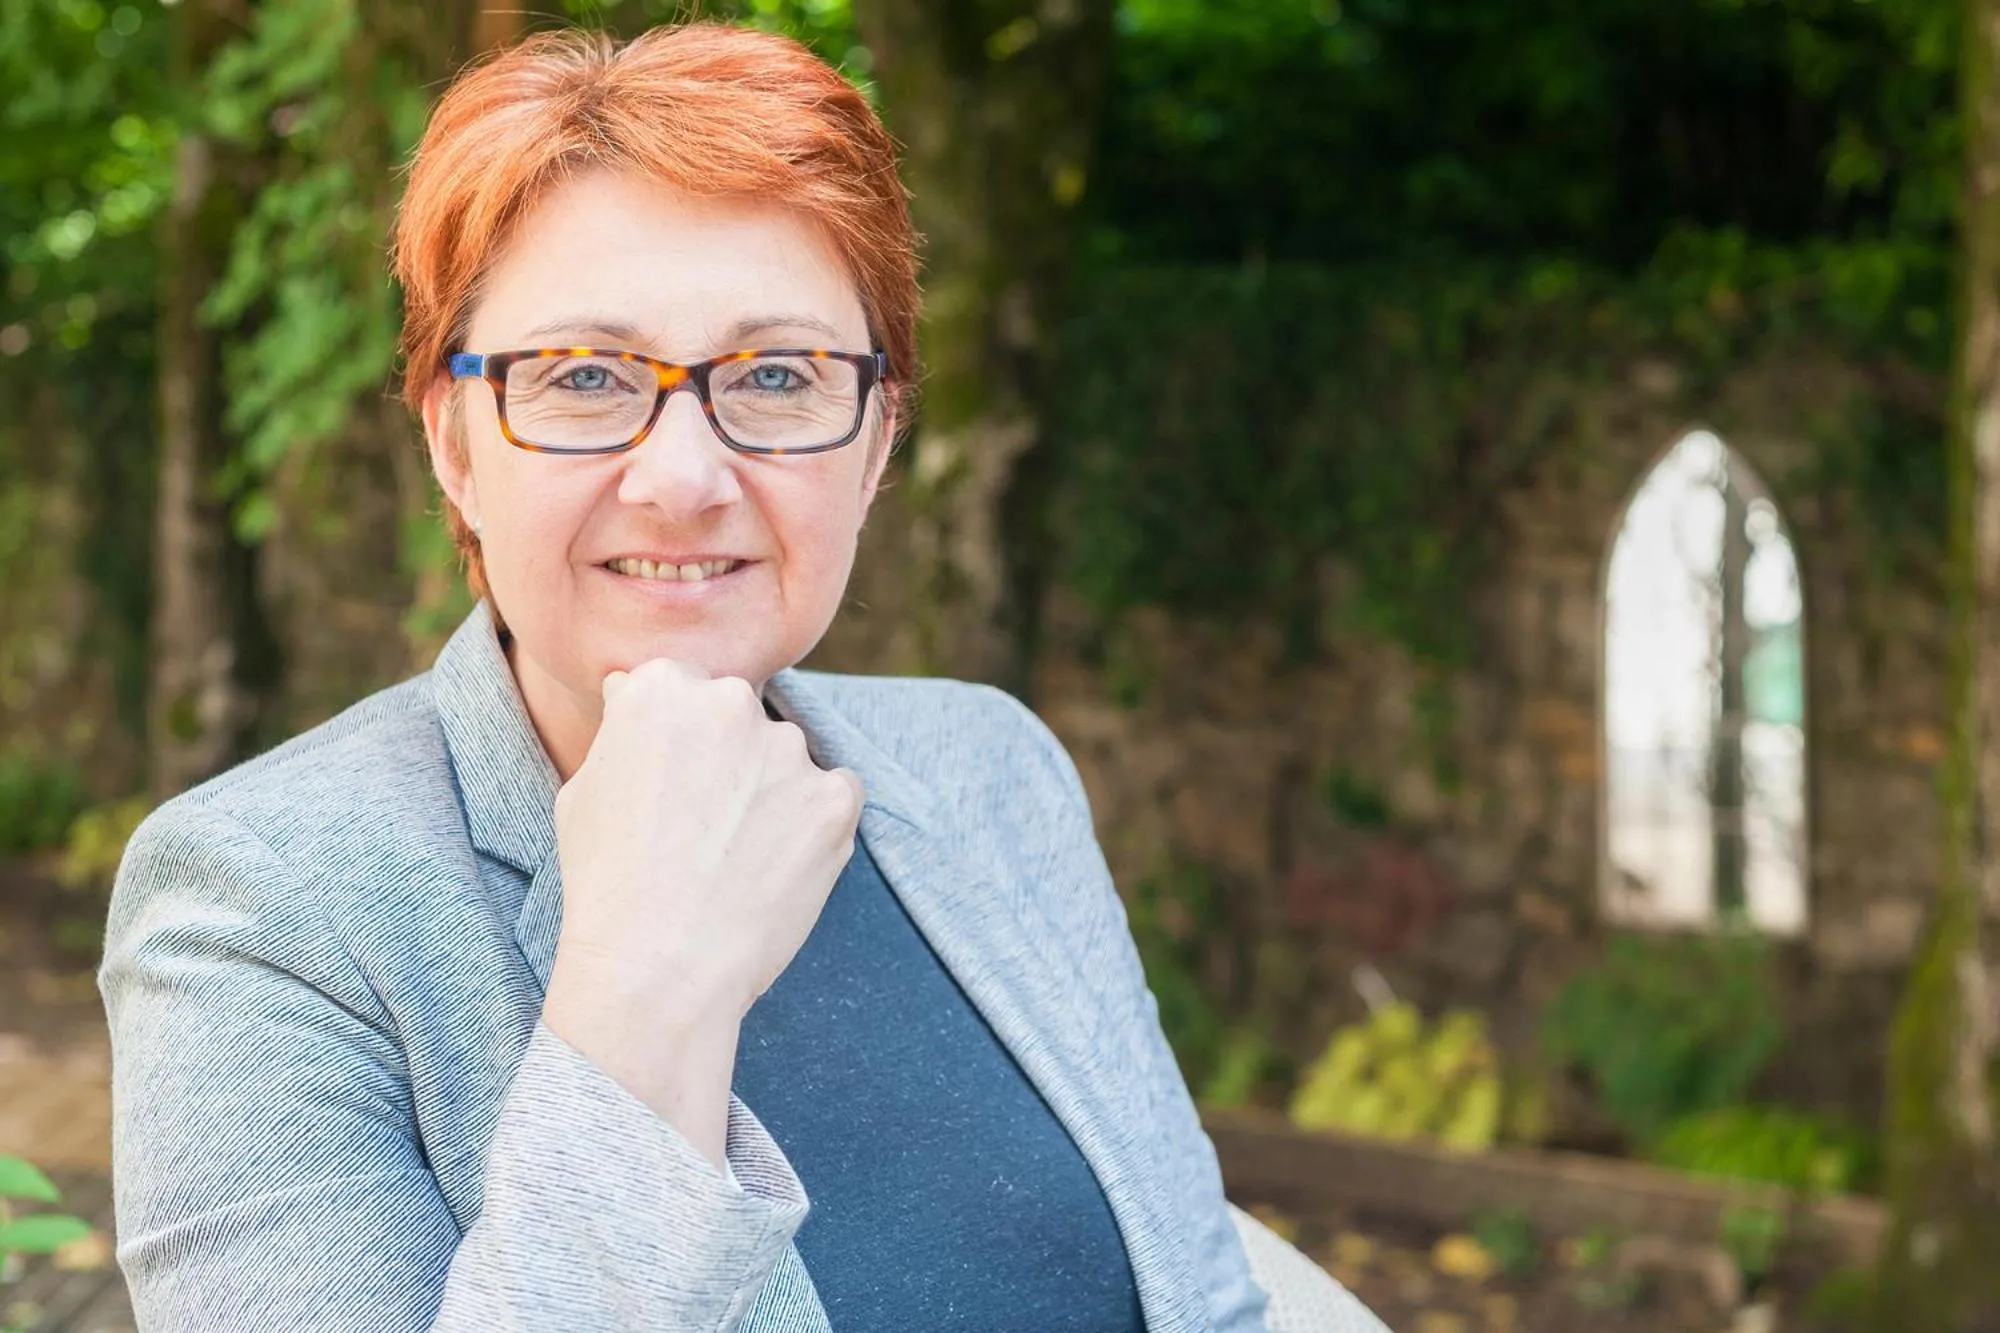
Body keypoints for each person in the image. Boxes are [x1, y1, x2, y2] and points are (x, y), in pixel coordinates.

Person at [100, 22, 1386, 1333]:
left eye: (777, 376)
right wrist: (645, 990)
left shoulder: (992, 770)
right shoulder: (266, 907)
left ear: (876, 445)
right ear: (456, 447)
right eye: (584, 376)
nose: (682, 477)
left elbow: (1208, 1299)